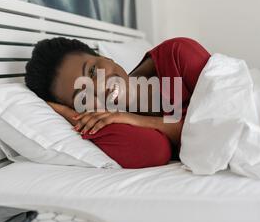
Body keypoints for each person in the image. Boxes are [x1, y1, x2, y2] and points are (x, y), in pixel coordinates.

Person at [25, 37, 211, 168]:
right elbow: (155, 151)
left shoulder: (177, 55)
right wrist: (68, 115)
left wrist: (135, 119)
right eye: (82, 95)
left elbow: (214, 129)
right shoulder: (118, 122)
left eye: (91, 71)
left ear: (106, 58)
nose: (98, 88)